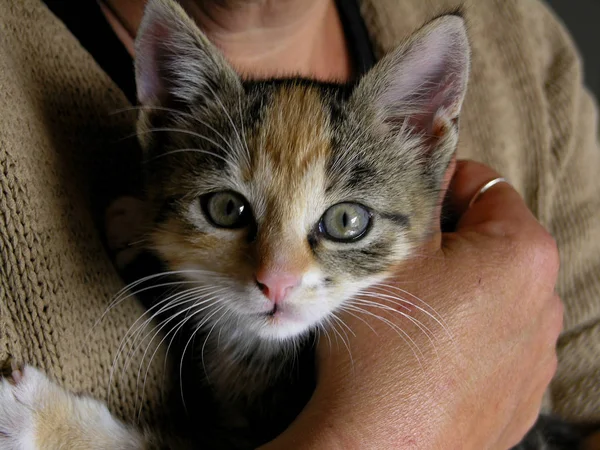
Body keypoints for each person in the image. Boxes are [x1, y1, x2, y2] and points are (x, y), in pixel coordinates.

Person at [0, 0, 598, 447]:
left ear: (423, 143)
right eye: (229, 210)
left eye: (343, 220)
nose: (275, 276)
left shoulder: (520, 38)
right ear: (164, 126)